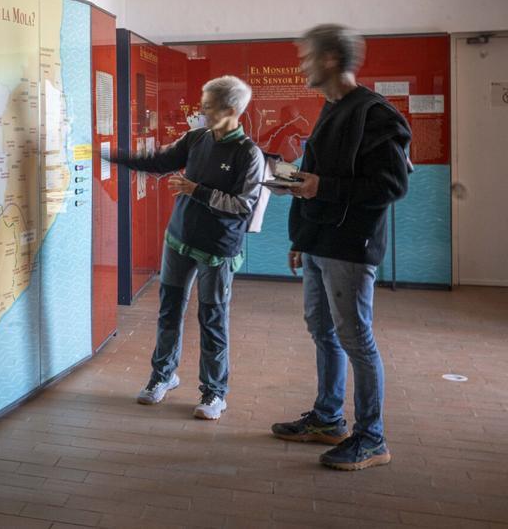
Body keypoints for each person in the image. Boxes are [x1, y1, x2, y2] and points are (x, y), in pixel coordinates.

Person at [271, 24, 410, 471]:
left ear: (330, 59)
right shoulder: (331, 108)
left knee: (356, 340)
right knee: (323, 331)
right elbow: (314, 178)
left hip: (350, 248)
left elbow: (391, 184)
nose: (302, 65)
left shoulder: (375, 113)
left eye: (306, 56)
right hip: (319, 243)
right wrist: (300, 236)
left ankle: (372, 438)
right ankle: (329, 420)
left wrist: (322, 187)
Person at [106, 76, 265, 420]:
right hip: (178, 241)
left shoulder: (249, 154)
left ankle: (214, 393)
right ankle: (162, 376)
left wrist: (197, 191)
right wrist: (113, 156)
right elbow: (160, 162)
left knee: (212, 318)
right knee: (169, 311)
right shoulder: (196, 138)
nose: (201, 111)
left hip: (217, 250)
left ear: (231, 110)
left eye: (208, 106)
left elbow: (243, 205)